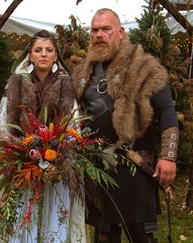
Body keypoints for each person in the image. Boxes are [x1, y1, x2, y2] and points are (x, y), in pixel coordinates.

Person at [72, 8, 179, 243]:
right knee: (104, 234)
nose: (99, 34)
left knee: (141, 236)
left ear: (121, 32)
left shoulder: (145, 67)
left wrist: (168, 156)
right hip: (98, 169)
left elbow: (167, 111)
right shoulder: (81, 73)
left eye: (106, 29)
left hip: (135, 166)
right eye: (94, 29)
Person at [0, 30, 86, 243]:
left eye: (49, 50)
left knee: (55, 220)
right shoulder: (16, 85)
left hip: (56, 171)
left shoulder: (66, 88)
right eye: (38, 50)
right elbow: (4, 128)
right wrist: (19, 155)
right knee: (21, 220)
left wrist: (60, 158)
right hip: (23, 170)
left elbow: (73, 129)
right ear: (30, 55)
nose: (43, 54)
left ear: (56, 56)